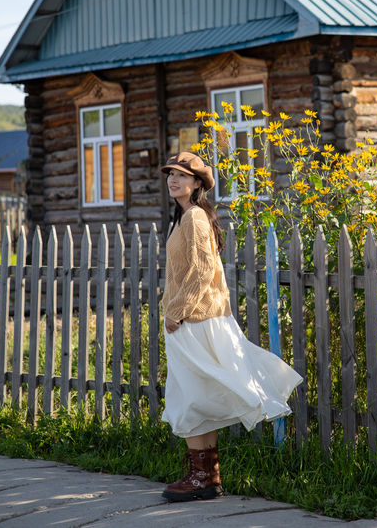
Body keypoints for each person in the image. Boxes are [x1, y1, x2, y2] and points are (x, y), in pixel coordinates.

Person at [159, 151, 303, 502]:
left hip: (193, 320)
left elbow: (202, 269)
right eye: (170, 175)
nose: (173, 180)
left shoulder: (193, 217)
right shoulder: (184, 218)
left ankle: (200, 478)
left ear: (197, 184)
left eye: (181, 175)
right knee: (199, 394)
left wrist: (177, 311)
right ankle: (207, 476)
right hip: (197, 318)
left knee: (187, 398)